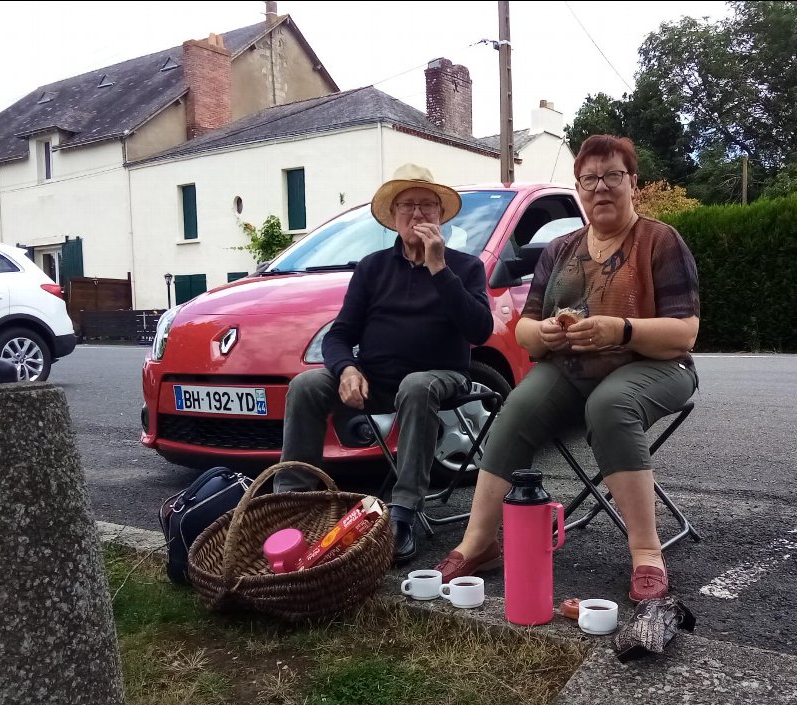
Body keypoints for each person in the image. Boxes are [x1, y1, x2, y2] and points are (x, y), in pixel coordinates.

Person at [434, 135, 700, 602]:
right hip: (572, 365)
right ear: (578, 188)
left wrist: (621, 330)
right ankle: (480, 542)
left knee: (610, 404)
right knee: (515, 410)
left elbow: (685, 333)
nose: (601, 187)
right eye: (589, 179)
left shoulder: (660, 240)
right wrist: (545, 336)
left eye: (612, 176)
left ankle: (646, 551)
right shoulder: (559, 250)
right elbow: (524, 330)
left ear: (632, 184)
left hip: (656, 365)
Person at [274, 164, 493, 563]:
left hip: (440, 376)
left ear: (441, 216)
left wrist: (439, 267)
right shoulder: (372, 268)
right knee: (305, 386)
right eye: (407, 206)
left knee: (417, 384)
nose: (418, 214)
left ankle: (405, 511)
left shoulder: (465, 267)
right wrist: (347, 369)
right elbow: (339, 335)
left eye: (427, 205)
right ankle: (293, 502)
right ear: (393, 218)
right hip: (374, 377)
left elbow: (479, 330)